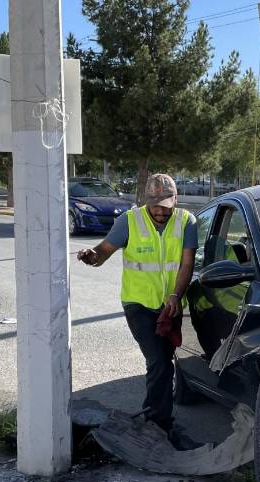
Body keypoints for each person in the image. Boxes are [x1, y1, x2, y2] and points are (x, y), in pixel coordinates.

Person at [77, 173, 201, 449]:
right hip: (138, 305)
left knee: (165, 361)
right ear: (146, 201)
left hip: (170, 304)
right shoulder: (129, 221)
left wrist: (175, 296)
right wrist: (91, 256)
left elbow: (187, 265)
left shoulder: (186, 222)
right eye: (155, 205)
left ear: (175, 200)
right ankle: (158, 427)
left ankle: (156, 419)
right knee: (158, 361)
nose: (160, 211)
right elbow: (103, 252)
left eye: (166, 205)